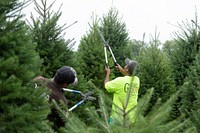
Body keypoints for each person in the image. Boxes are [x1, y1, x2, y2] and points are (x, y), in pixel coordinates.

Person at [104, 58, 140, 125]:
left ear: (127, 69)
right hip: (131, 118)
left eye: (126, 65)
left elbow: (106, 86)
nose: (125, 65)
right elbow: (128, 77)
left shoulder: (120, 81)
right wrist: (121, 70)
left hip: (117, 119)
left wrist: (107, 74)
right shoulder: (137, 80)